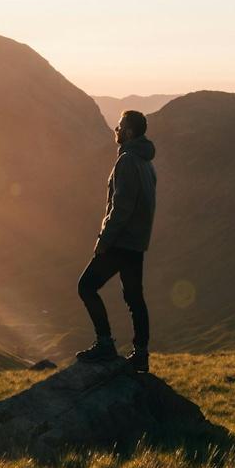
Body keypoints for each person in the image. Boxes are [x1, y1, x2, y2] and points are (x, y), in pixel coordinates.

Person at [75, 109, 157, 371]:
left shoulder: (127, 161)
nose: (116, 130)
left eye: (120, 126)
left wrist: (104, 240)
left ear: (129, 131)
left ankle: (105, 344)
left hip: (121, 241)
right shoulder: (147, 163)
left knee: (86, 286)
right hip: (136, 243)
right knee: (134, 298)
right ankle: (141, 354)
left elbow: (120, 208)